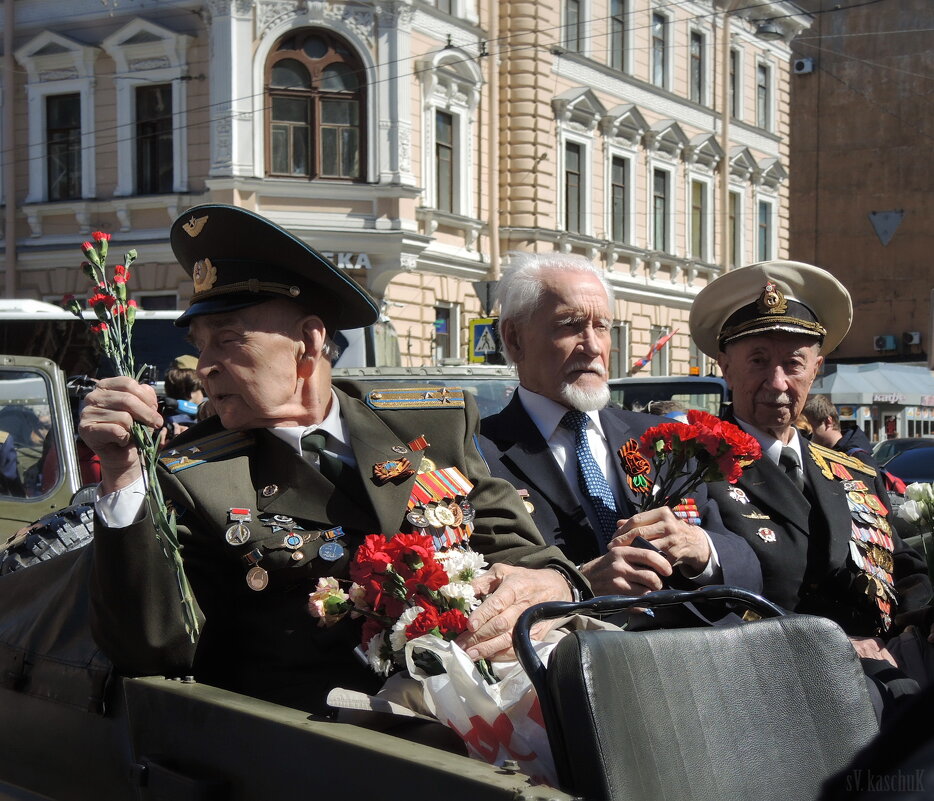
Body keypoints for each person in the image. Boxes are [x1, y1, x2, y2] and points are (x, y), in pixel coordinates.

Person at [79, 205, 583, 717]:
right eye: (201, 345)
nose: (205, 366)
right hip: (323, 744)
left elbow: (524, 553)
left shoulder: (428, 424)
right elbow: (149, 646)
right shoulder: (193, 474)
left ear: (309, 339)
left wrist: (552, 582)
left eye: (228, 340)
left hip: (482, 710)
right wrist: (122, 476)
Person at [478, 253, 762, 599]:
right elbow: (475, 582)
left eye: (601, 327)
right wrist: (579, 583)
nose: (593, 346)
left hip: (684, 645)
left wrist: (699, 548)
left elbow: (747, 566)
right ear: (514, 339)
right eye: (569, 325)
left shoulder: (660, 439)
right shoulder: (478, 452)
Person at [688, 260, 931, 654]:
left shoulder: (855, 474)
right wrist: (834, 649)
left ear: (816, 369)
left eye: (793, 364)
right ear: (726, 368)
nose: (777, 382)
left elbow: (905, 573)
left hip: (887, 677)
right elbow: (701, 603)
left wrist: (914, 628)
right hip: (774, 681)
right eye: (758, 361)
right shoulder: (691, 468)